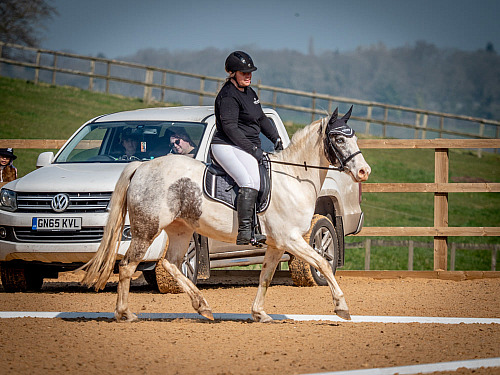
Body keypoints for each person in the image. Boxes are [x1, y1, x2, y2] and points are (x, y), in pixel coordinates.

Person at [210, 51, 283, 245]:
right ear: (232, 73)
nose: (248, 75)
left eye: (249, 72)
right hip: (226, 146)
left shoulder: (249, 93)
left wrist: (275, 137)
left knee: (257, 183)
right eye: (243, 73)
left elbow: (260, 118)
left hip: (242, 147)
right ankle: (244, 231)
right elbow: (230, 128)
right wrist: (252, 149)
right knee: (247, 181)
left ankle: (255, 227)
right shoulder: (227, 96)